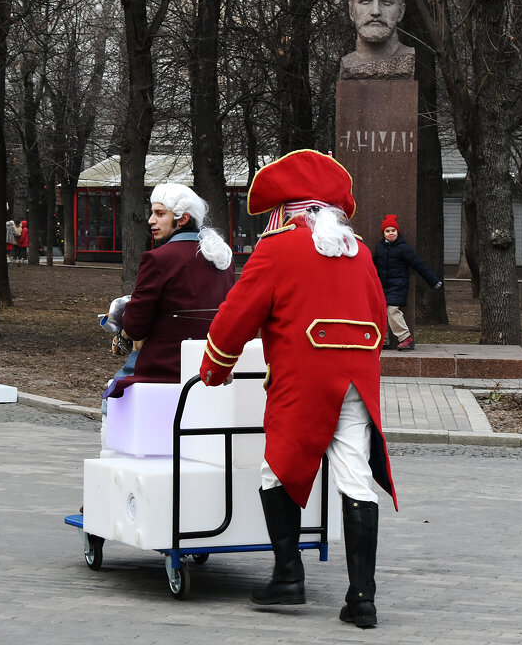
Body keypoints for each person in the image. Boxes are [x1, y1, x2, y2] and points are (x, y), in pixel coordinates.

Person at [198, 150, 396, 627]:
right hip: (358, 380)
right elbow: (379, 320)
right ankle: (362, 598)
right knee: (354, 476)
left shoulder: (277, 249)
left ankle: (289, 576)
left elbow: (236, 315)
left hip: (301, 380)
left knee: (277, 470)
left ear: (288, 212)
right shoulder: (362, 252)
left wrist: (215, 367)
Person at [102, 183, 235, 399]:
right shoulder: (222, 259)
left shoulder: (158, 258)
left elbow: (135, 326)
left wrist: (125, 319)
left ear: (182, 219)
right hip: (211, 366)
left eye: (159, 213)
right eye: (152, 212)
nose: (151, 220)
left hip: (164, 367)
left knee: (112, 401)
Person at [371, 214, 442, 351]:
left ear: (398, 232)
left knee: (392, 310)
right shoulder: (380, 248)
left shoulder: (403, 248)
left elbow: (419, 265)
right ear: (383, 233)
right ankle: (382, 339)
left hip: (398, 285)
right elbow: (373, 266)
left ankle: (405, 338)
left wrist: (433, 281)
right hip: (382, 286)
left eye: (393, 230)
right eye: (388, 231)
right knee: (380, 311)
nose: (391, 233)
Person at [340, 0, 415, 80]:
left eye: (386, 2)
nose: (375, 11)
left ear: (401, 12)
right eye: (365, 1)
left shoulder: (407, 59)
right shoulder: (348, 64)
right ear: (351, 11)